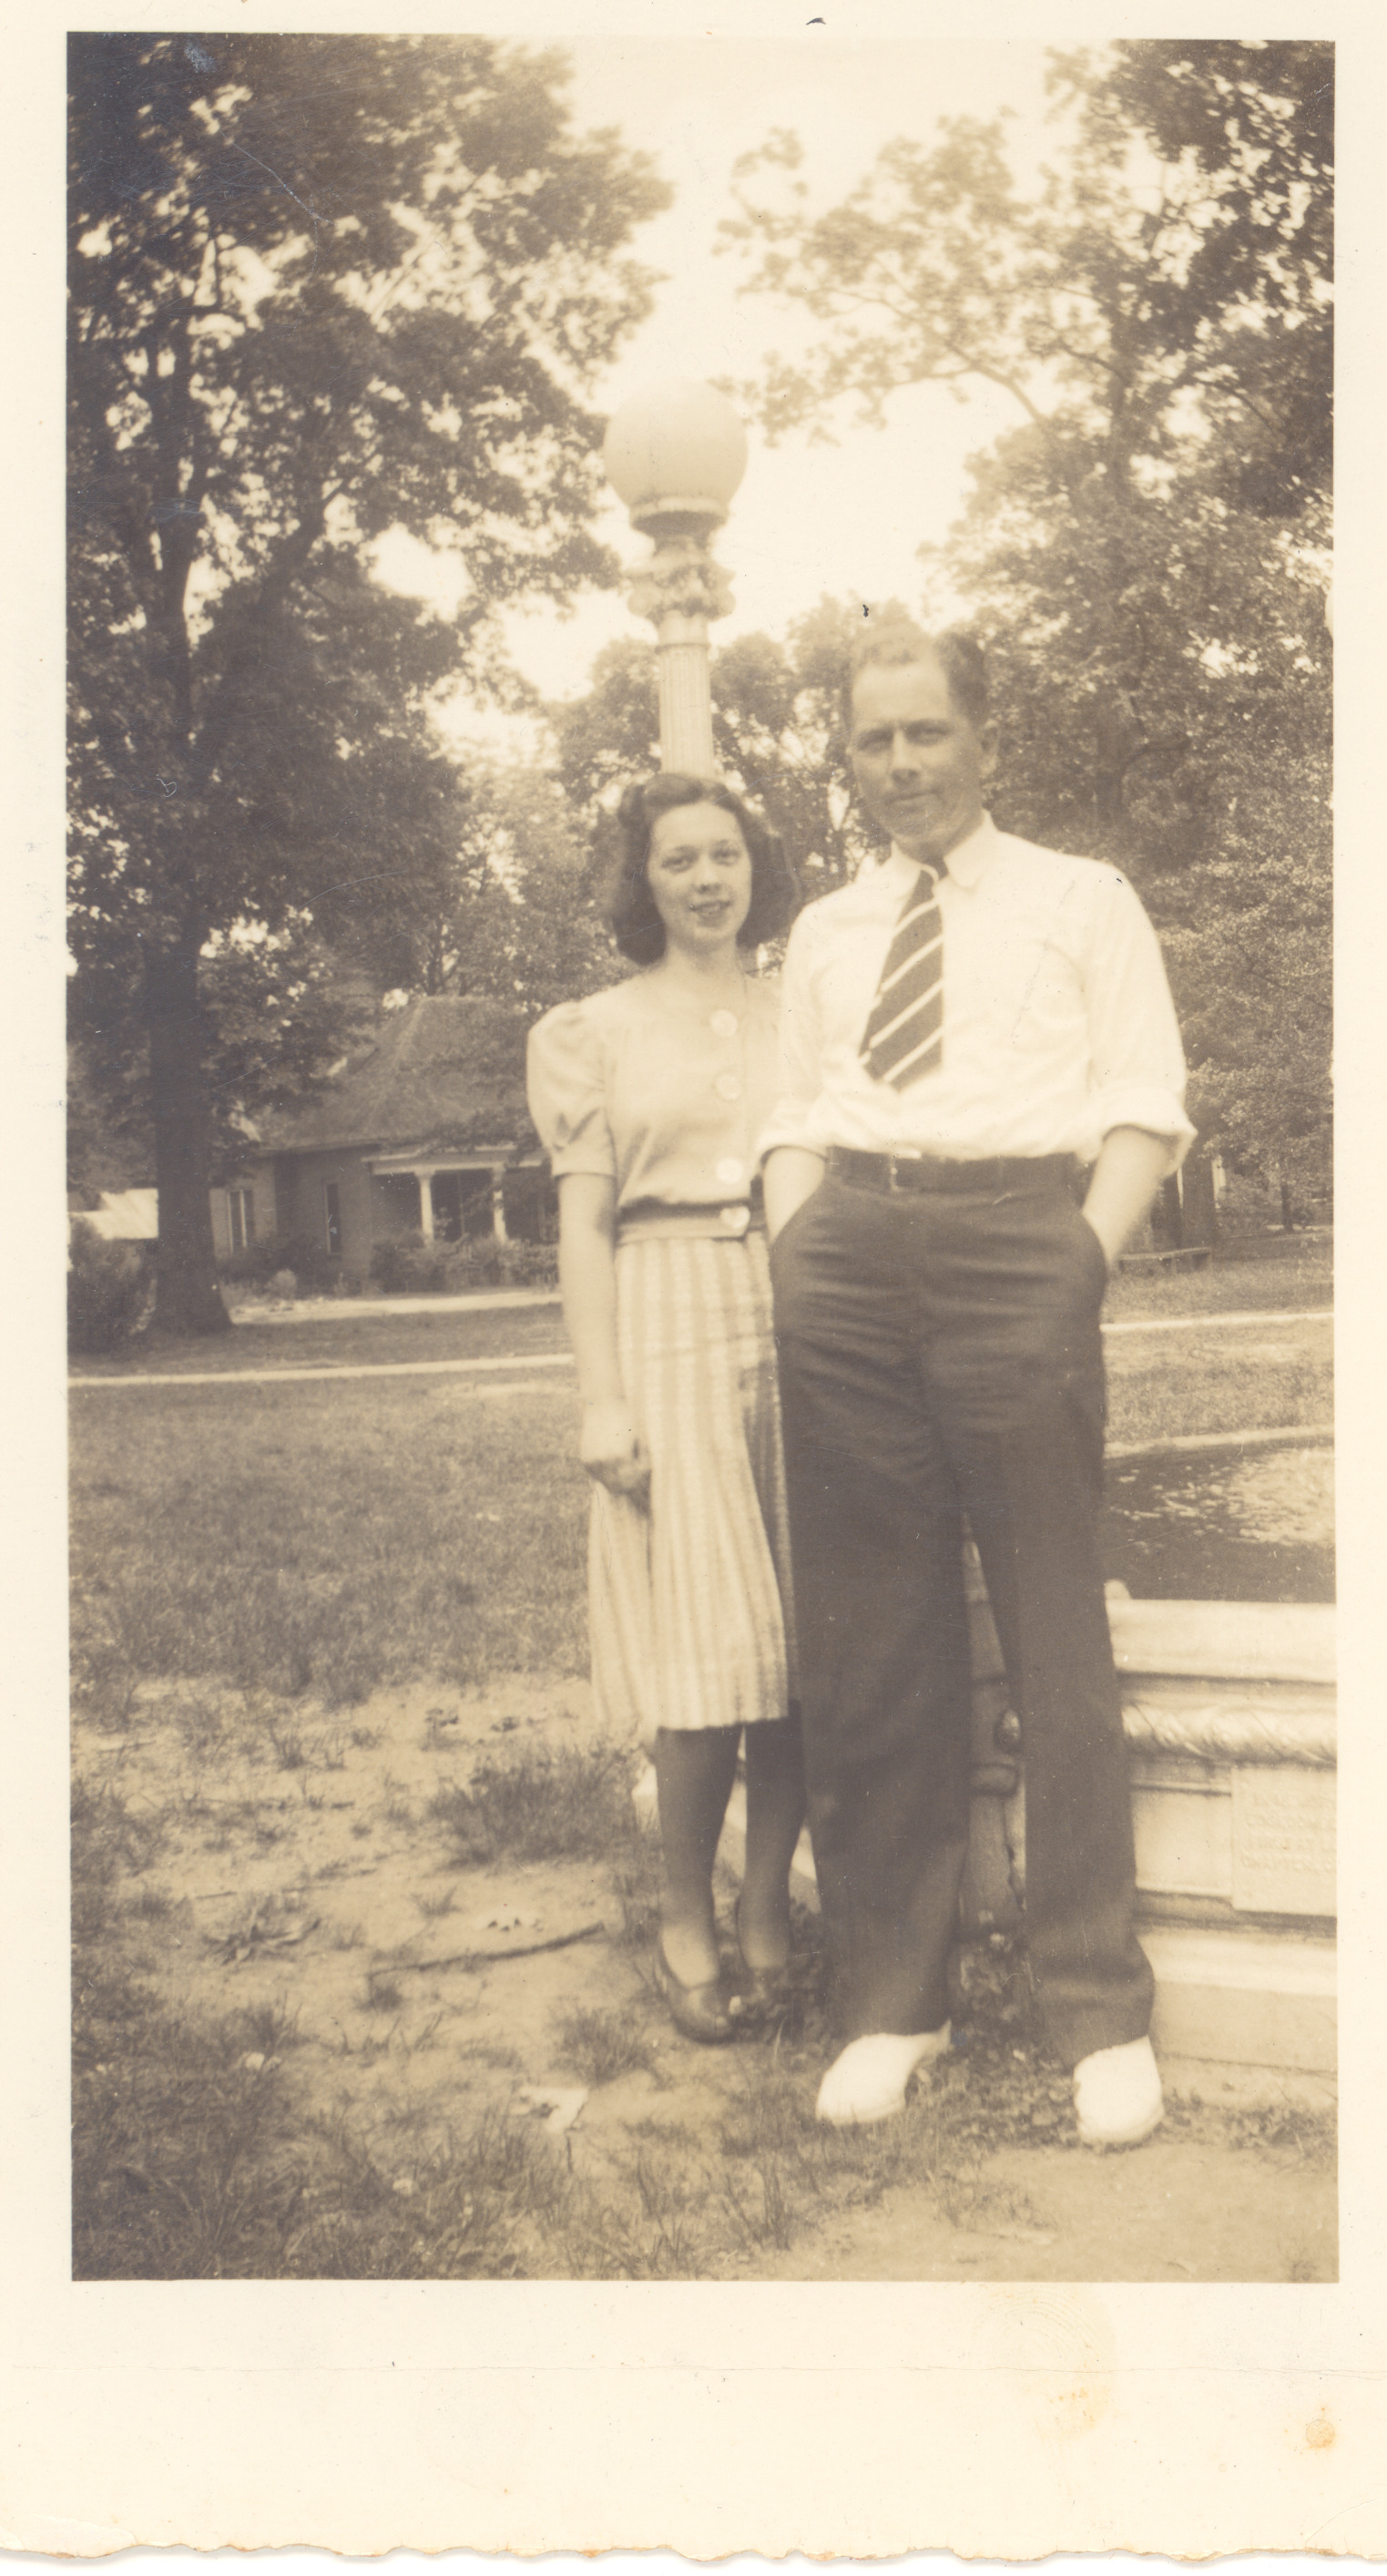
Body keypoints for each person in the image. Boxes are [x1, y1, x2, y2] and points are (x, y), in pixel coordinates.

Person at [762, 619, 1193, 2142]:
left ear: (984, 739)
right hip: (846, 1258)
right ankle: (896, 2000)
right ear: (849, 759)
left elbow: (1143, 1098)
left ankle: (1094, 2011)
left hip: (1022, 1245)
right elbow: (793, 1113)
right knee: (872, 1640)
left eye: (925, 732)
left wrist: (1076, 1259)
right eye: (872, 741)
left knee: (1051, 1628)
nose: (900, 765)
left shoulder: (1082, 899)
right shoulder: (825, 928)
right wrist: (796, 1244)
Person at [526, 772, 808, 2043]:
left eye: (725, 855)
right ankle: (684, 1913)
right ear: (642, 884)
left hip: (798, 1303)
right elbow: (584, 1226)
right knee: (706, 1640)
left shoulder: (802, 1011)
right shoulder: (590, 1031)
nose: (706, 880)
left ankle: (768, 1901)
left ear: (756, 869)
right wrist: (602, 1397)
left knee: (803, 1638)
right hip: (665, 1308)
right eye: (677, 860)